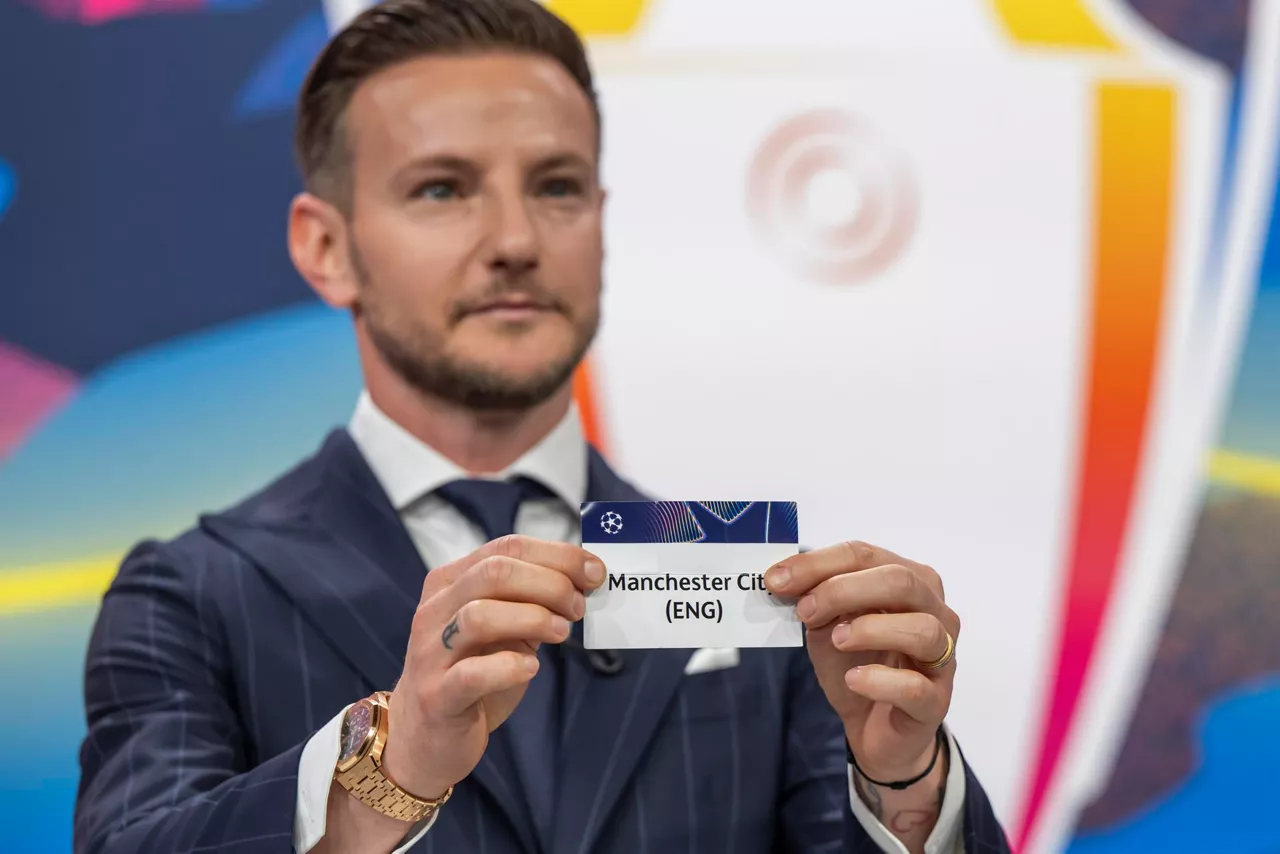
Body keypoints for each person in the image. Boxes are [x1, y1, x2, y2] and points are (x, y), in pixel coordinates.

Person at [72, 1, 1011, 852]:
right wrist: (385, 774)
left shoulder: (764, 593)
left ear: (600, 222)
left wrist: (906, 787)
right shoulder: (191, 595)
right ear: (327, 247)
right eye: (442, 189)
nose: (517, 240)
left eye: (557, 186)